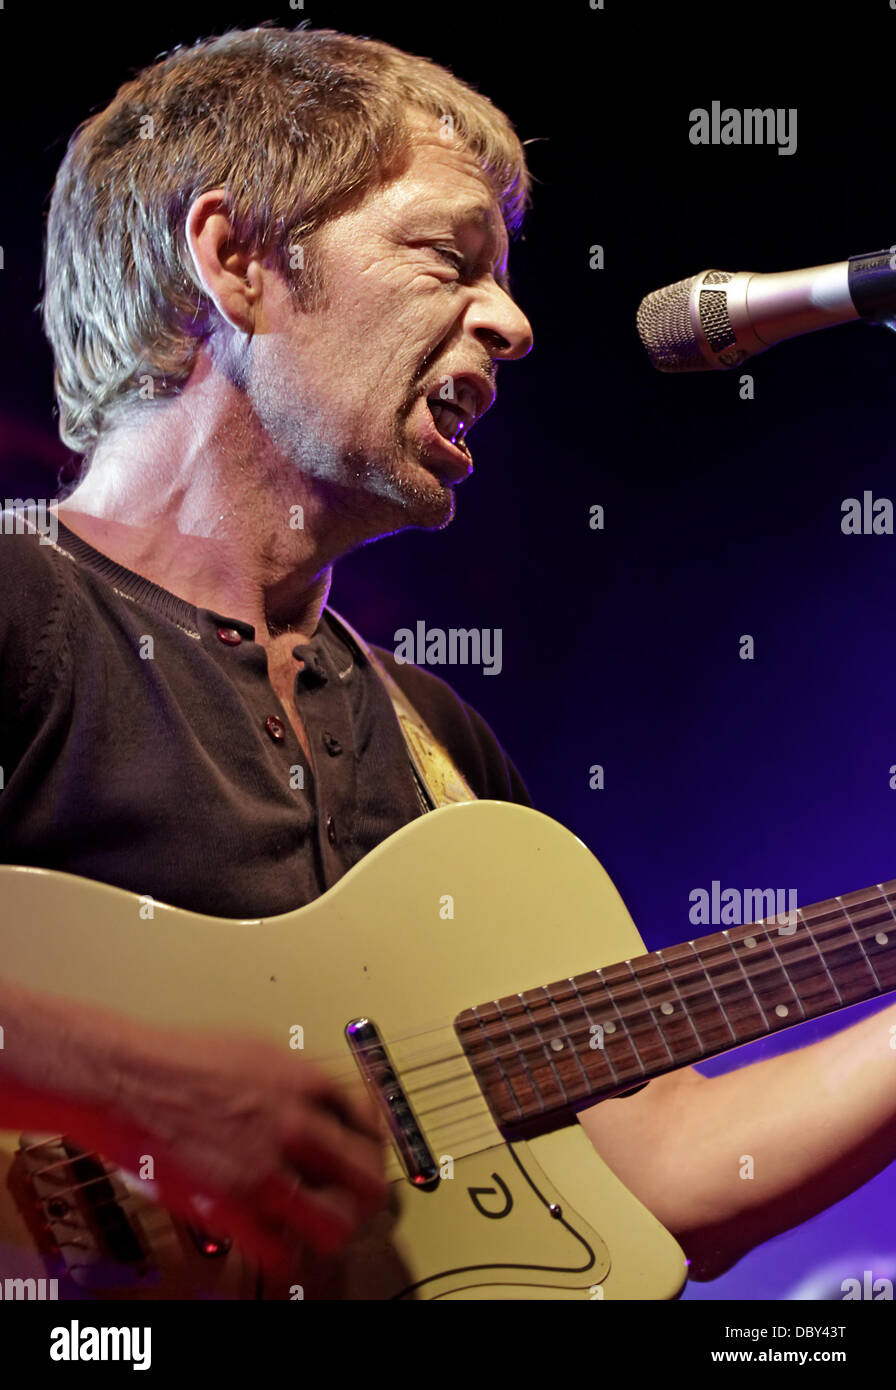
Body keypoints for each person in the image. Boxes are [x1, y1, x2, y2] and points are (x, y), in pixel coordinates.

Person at [1, 25, 894, 1295]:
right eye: (444, 256)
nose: (515, 324)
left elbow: (668, 1167)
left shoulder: (443, 754)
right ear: (234, 257)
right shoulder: (20, 611)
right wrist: (128, 1084)